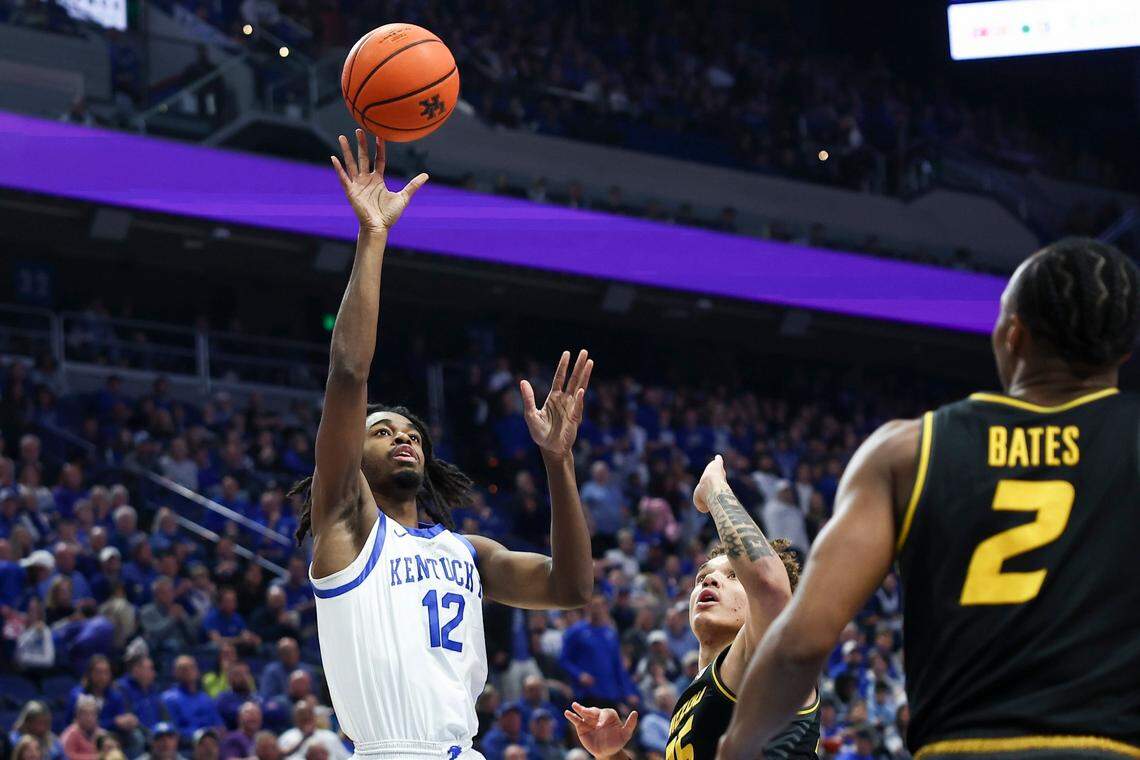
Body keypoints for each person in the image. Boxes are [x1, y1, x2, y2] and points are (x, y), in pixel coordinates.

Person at [720, 238, 1140, 759]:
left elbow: (800, 645)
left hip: (959, 747)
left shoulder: (908, 450)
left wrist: (735, 747)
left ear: (1013, 335)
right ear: (1123, 351)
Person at [293, 131, 595, 760]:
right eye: (382, 432)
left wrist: (559, 465)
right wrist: (372, 239)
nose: (401, 438)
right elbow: (349, 373)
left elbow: (570, 587)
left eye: (411, 433)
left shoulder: (469, 551)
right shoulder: (348, 524)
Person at [569, 455, 818, 759]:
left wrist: (714, 487)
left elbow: (769, 585)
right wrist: (612, 754)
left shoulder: (773, 661)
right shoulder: (697, 694)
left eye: (733, 575)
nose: (711, 581)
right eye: (703, 577)